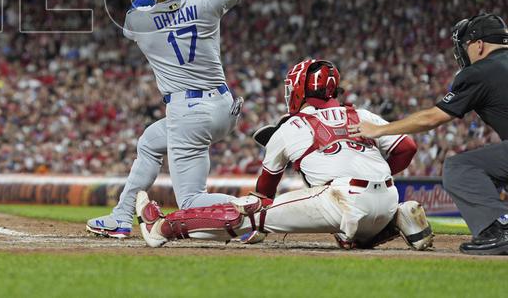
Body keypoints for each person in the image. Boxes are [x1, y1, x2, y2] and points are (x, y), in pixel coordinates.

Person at [87, 0, 297, 239]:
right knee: (151, 142)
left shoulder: (138, 22)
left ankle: (253, 210)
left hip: (189, 113)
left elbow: (141, 8)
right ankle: (121, 215)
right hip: (223, 107)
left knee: (190, 200)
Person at [135, 58, 433, 251]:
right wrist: (374, 175)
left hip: (343, 199)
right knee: (354, 231)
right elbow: (407, 147)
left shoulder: (292, 126)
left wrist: (262, 220)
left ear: (301, 90)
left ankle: (162, 227)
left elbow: (263, 195)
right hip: (388, 196)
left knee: (249, 211)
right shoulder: (363, 114)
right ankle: (397, 218)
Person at [357, 13, 508, 255]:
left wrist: (379, 129)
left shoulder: (480, 71)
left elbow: (433, 118)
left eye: (467, 46)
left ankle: (497, 231)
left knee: (460, 168)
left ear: (479, 45)